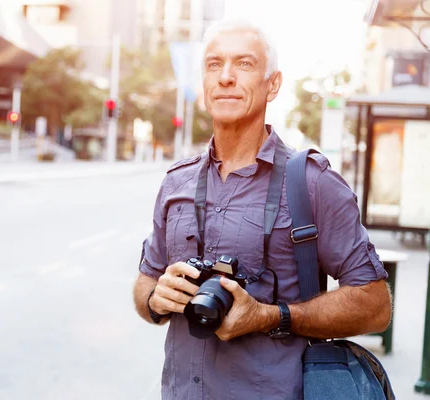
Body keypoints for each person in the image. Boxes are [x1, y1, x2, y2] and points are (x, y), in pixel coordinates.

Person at [132, 18, 392, 399]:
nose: (225, 77)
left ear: (273, 85)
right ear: (203, 82)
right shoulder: (177, 181)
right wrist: (156, 299)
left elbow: (375, 305)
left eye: (244, 64)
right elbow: (145, 283)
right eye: (213, 64)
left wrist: (273, 316)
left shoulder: (312, 183)